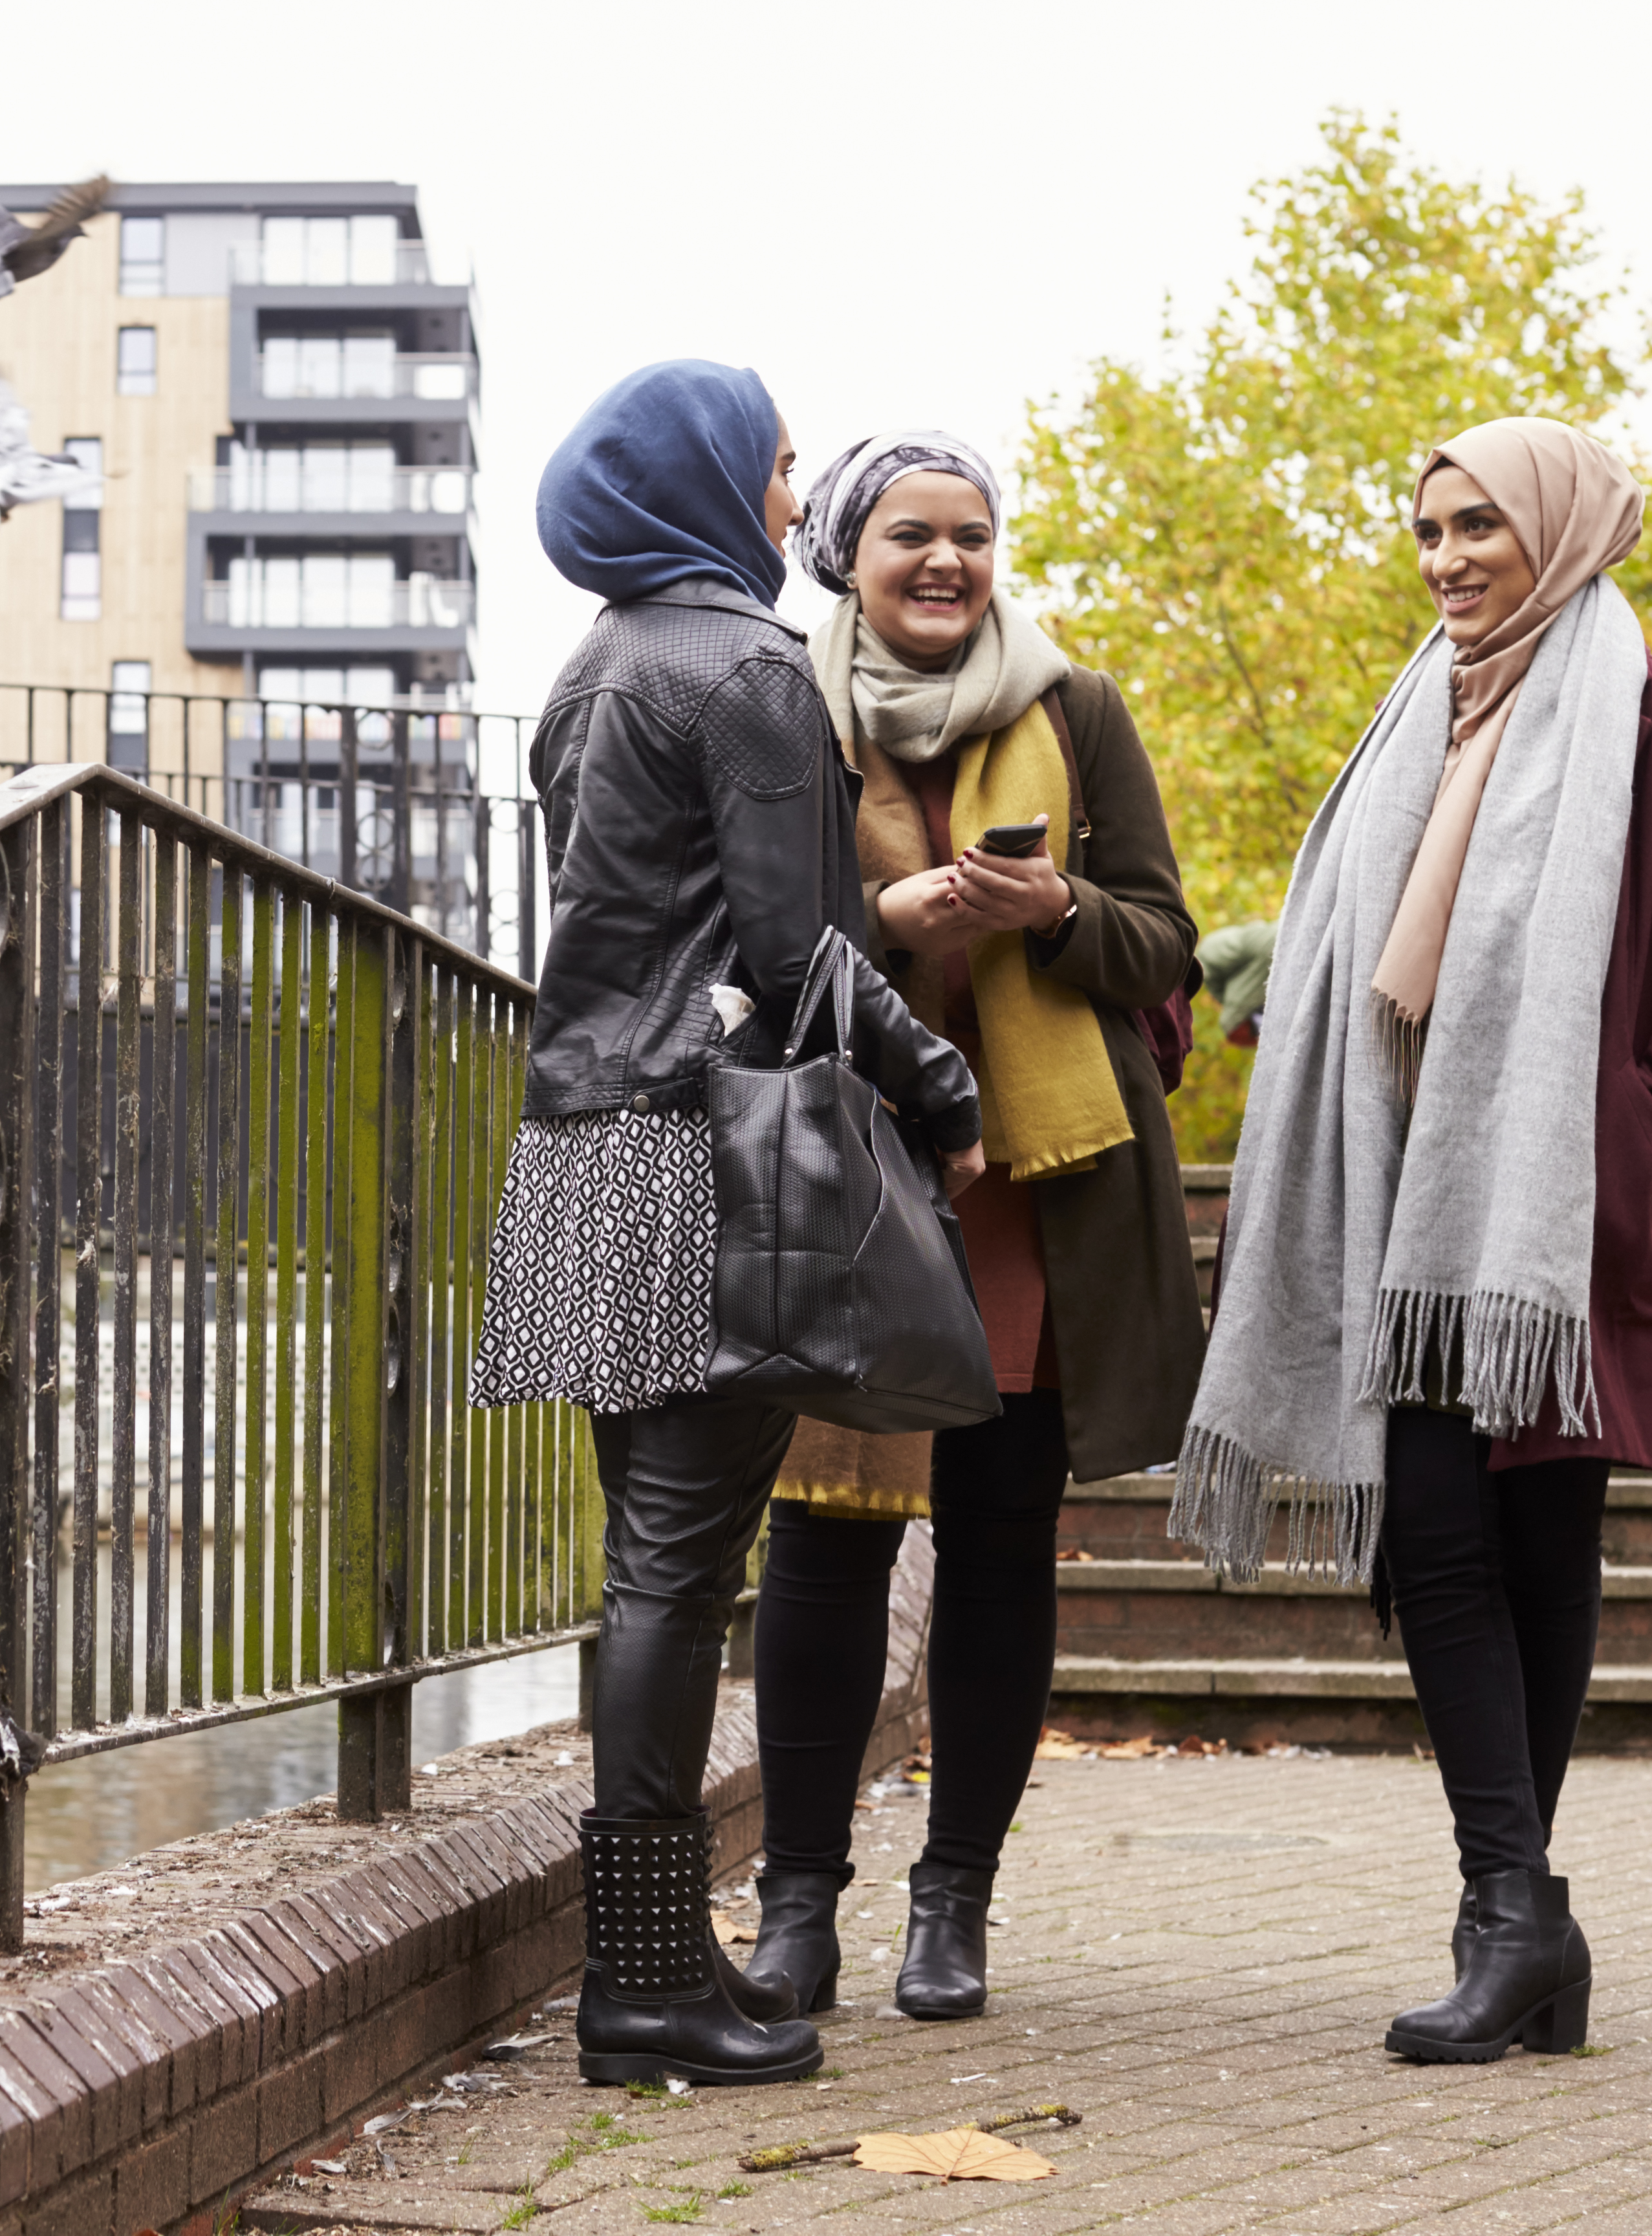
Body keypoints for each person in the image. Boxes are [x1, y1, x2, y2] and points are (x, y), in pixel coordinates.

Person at [1175, 418, 1652, 2063]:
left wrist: (1607, 1143)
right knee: (1431, 1539)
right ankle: (1519, 1912)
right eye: (1427, 530)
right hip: (1401, 1211)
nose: (1445, 559)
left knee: (1538, 1552)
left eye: (1476, 527)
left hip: (1551, 1231)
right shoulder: (1410, 727)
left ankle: (1511, 1921)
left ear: (1561, 529)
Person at [472, 362, 986, 2088]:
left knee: (652, 1573)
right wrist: (940, 1089)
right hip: (707, 1153)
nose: (789, 503)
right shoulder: (754, 670)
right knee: (680, 1577)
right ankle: (638, 1983)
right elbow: (798, 960)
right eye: (774, 470)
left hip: (580, 1145)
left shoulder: (590, 670)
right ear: (702, 479)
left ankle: (660, 1954)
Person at [735, 432, 1207, 2024]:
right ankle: (796, 1905)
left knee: (1002, 1552)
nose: (946, 563)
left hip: (1031, 1196)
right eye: (910, 537)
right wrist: (886, 924)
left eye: (974, 536)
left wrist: (1055, 913)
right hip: (847, 1190)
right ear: (847, 556)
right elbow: (735, 938)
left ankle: (957, 1906)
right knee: (822, 1549)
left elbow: (1165, 941)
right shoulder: (783, 706)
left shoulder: (1074, 706)